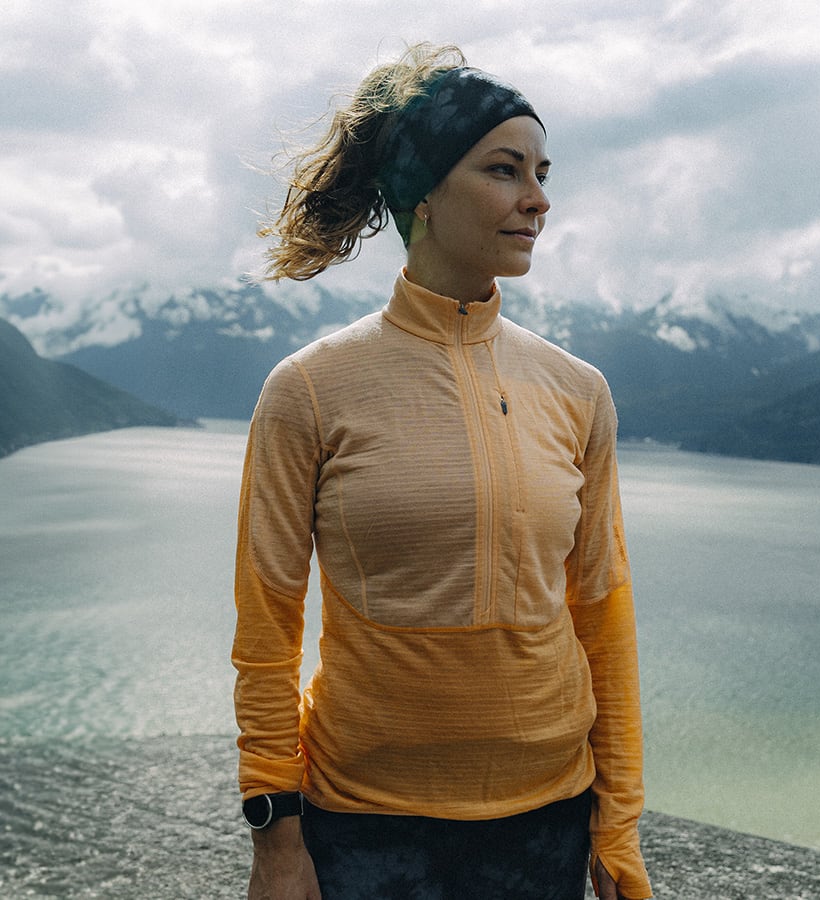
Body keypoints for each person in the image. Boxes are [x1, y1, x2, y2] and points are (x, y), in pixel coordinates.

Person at [232, 43, 653, 900]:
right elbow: (267, 625)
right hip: (365, 825)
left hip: (549, 822)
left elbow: (601, 612)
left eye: (541, 172)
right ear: (422, 192)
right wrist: (276, 832)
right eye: (505, 170)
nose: (539, 200)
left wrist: (619, 824)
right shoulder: (309, 389)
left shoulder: (579, 391)